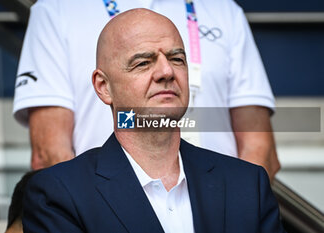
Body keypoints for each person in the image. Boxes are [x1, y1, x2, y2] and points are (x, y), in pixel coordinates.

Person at [22, 9, 284, 233]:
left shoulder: (248, 185)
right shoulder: (58, 194)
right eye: (143, 63)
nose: (166, 72)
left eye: (177, 59)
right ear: (103, 87)